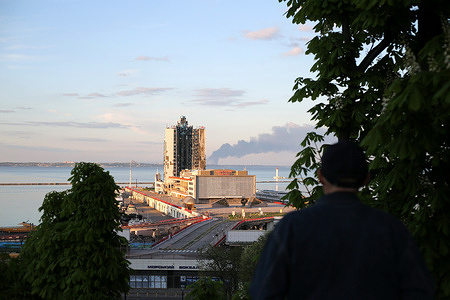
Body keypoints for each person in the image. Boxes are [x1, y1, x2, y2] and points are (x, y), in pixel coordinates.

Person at [250, 141, 434, 299]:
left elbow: (263, 292)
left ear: (321, 176)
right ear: (366, 179)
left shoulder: (293, 227)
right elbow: (420, 290)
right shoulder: (391, 228)